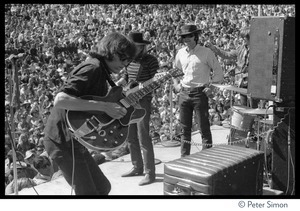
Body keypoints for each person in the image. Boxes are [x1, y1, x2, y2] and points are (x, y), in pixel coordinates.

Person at [43, 32, 137, 195]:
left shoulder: (102, 71)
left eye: (128, 60)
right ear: (111, 51)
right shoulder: (92, 67)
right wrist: (105, 107)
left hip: (76, 139)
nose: (125, 64)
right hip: (62, 141)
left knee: (102, 188)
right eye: (122, 58)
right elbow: (60, 100)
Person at [173, 25, 223, 157]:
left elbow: (218, 72)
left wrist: (211, 87)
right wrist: (176, 84)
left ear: (195, 36)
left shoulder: (206, 52)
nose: (186, 39)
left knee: (203, 128)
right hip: (184, 93)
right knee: (185, 129)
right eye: (183, 37)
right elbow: (175, 71)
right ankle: (184, 158)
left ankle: (206, 158)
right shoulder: (180, 53)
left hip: (200, 93)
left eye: (189, 36)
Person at [116, 32, 158, 186]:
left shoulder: (151, 60)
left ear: (141, 46)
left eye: (134, 46)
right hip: (128, 99)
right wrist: (121, 81)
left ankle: (149, 172)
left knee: (143, 136)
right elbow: (127, 77)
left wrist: (140, 87)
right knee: (130, 135)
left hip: (143, 100)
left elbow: (156, 81)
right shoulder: (129, 60)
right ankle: (137, 166)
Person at [205, 27, 258, 108]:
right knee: (245, 108)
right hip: (242, 83)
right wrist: (213, 48)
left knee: (254, 109)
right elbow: (227, 55)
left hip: (254, 84)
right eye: (242, 37)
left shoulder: (258, 50)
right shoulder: (241, 49)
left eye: (245, 37)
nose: (243, 39)